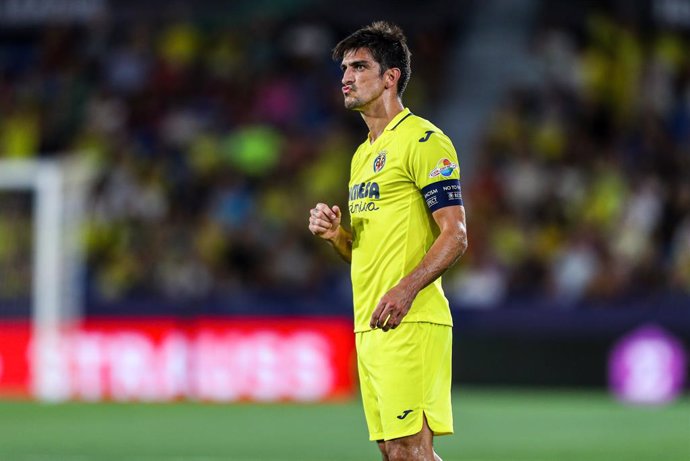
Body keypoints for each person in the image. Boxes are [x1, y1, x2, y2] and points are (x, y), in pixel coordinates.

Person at [308, 21, 467, 461]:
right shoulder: (362, 155)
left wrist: (405, 289)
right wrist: (336, 235)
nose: (346, 77)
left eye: (359, 67)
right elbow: (361, 252)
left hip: (410, 321)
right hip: (371, 323)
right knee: (396, 453)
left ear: (390, 76)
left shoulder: (424, 141)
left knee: (410, 451)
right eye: (344, 68)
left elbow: (455, 235)